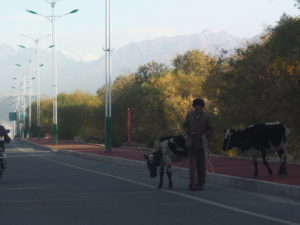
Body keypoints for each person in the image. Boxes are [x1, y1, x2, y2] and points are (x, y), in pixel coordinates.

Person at [183, 98, 213, 191]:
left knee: (201, 165)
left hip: (201, 144)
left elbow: (211, 128)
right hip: (191, 142)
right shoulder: (189, 114)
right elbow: (185, 126)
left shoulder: (207, 116)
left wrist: (206, 134)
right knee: (192, 165)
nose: (198, 107)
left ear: (202, 106)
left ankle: (200, 183)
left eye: (200, 105)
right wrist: (189, 132)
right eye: (196, 105)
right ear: (194, 106)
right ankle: (193, 184)